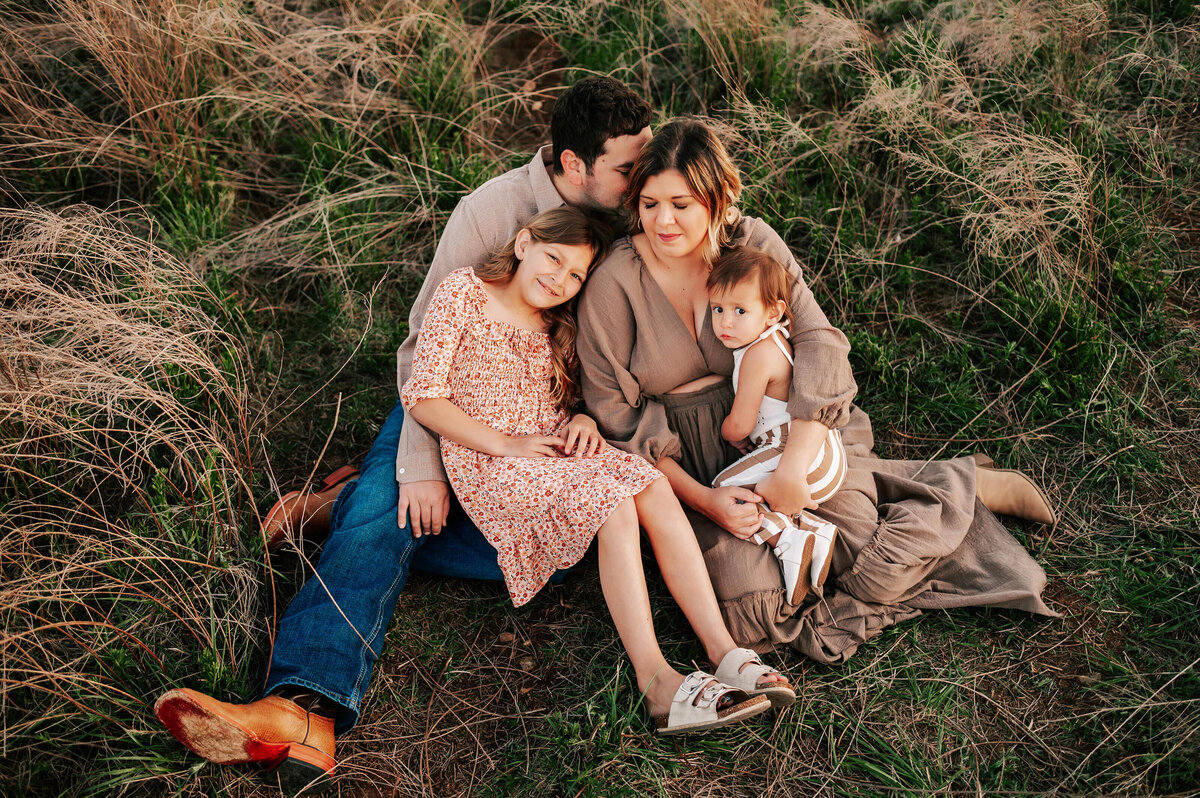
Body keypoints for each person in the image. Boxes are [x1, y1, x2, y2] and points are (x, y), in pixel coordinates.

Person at [152, 77, 676, 797]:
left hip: (540, 426)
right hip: (447, 403)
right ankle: (305, 705)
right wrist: (420, 464)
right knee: (389, 515)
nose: (641, 180)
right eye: (627, 167)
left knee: (551, 554)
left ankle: (330, 509)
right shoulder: (492, 212)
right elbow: (419, 354)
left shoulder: (638, 216)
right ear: (571, 163)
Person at [576, 117, 1058, 668]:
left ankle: (953, 486)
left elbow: (818, 343)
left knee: (862, 552)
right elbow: (617, 414)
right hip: (696, 465)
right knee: (753, 607)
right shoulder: (615, 281)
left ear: (717, 197)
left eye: (681, 204)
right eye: (649, 202)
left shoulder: (752, 243)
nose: (663, 220)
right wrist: (704, 498)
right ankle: (913, 476)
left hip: (791, 428)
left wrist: (791, 470)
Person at [402, 206, 789, 734]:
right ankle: (657, 682)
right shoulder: (464, 293)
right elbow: (424, 396)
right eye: (553, 259)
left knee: (650, 483)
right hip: (491, 457)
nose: (559, 279)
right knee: (612, 506)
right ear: (522, 245)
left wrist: (582, 417)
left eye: (575, 275)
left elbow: (576, 397)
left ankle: (724, 651)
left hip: (555, 446)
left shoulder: (558, 321)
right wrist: (505, 443)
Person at [706, 247, 844, 605]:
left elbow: (740, 423)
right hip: (825, 450)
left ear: (773, 312)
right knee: (748, 490)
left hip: (797, 459)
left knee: (723, 488)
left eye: (740, 311)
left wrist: (728, 435)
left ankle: (788, 539)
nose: (725, 323)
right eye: (717, 309)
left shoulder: (756, 356)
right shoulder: (778, 339)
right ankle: (814, 529)